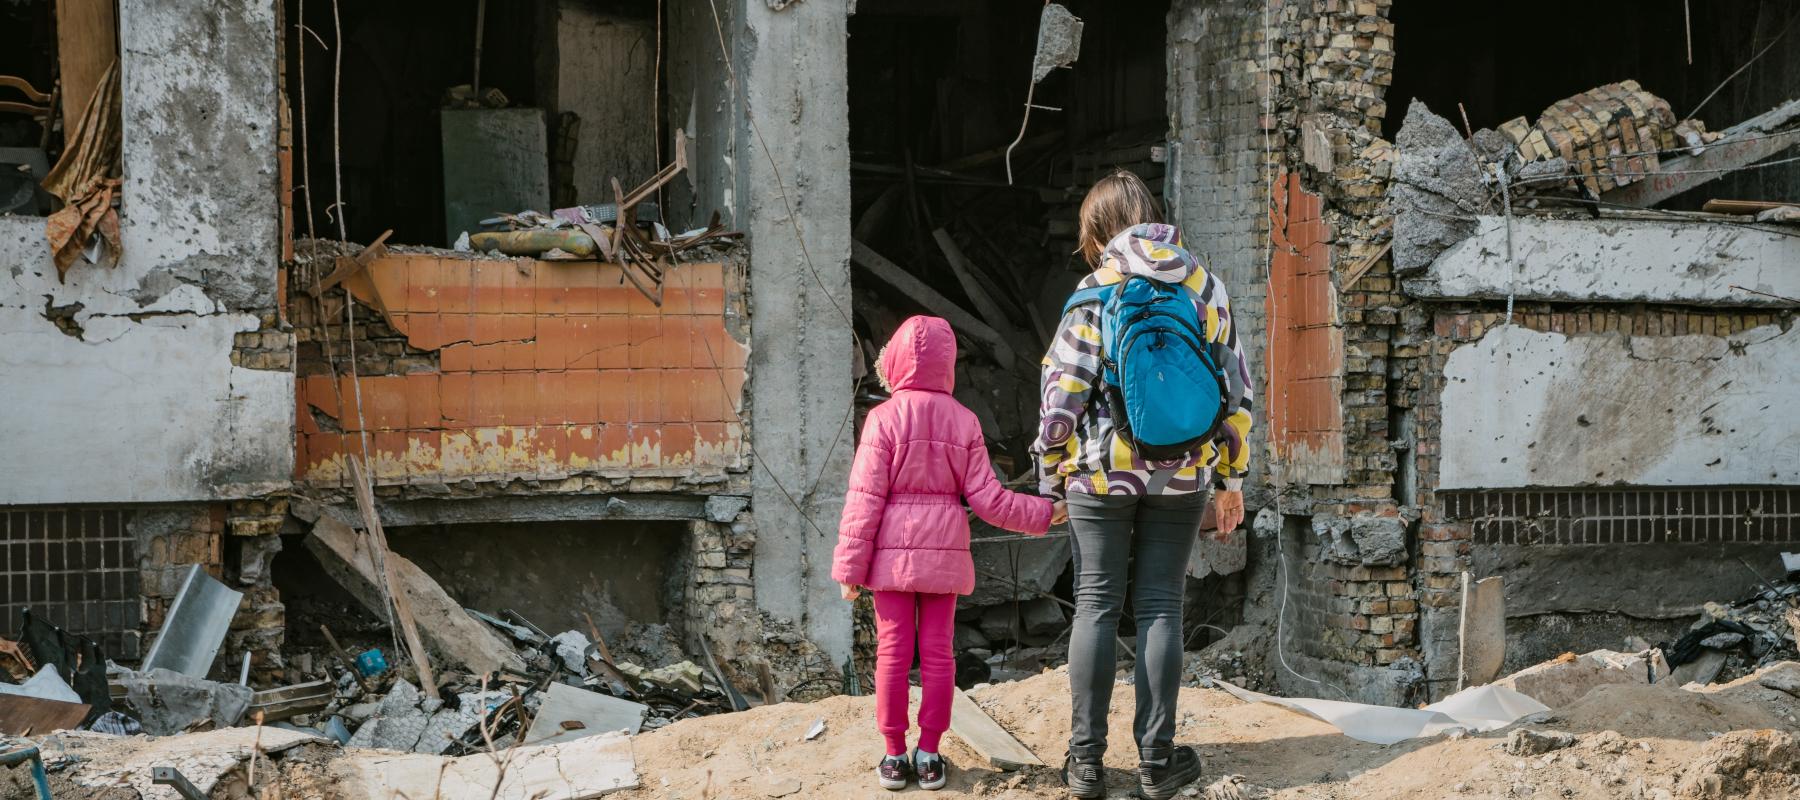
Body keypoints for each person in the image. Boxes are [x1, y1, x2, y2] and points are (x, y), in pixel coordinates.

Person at [1032, 171, 1253, 800]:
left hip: (1100, 472)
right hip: (1185, 471)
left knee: (1097, 602)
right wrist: (1230, 481)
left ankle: (1085, 764)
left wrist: (1052, 481)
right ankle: (1158, 763)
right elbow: (1235, 391)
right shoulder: (1204, 285)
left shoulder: (1094, 290)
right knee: (1162, 605)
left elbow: (1061, 400)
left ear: (1095, 232)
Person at [833, 315, 1069, 792]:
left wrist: (849, 568)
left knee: (892, 655)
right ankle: (930, 755)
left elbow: (864, 499)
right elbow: (990, 501)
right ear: (948, 365)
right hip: (944, 558)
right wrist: (1046, 513)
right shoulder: (965, 421)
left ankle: (894, 756)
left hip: (890, 563)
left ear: (895, 360)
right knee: (940, 656)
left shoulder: (882, 419)